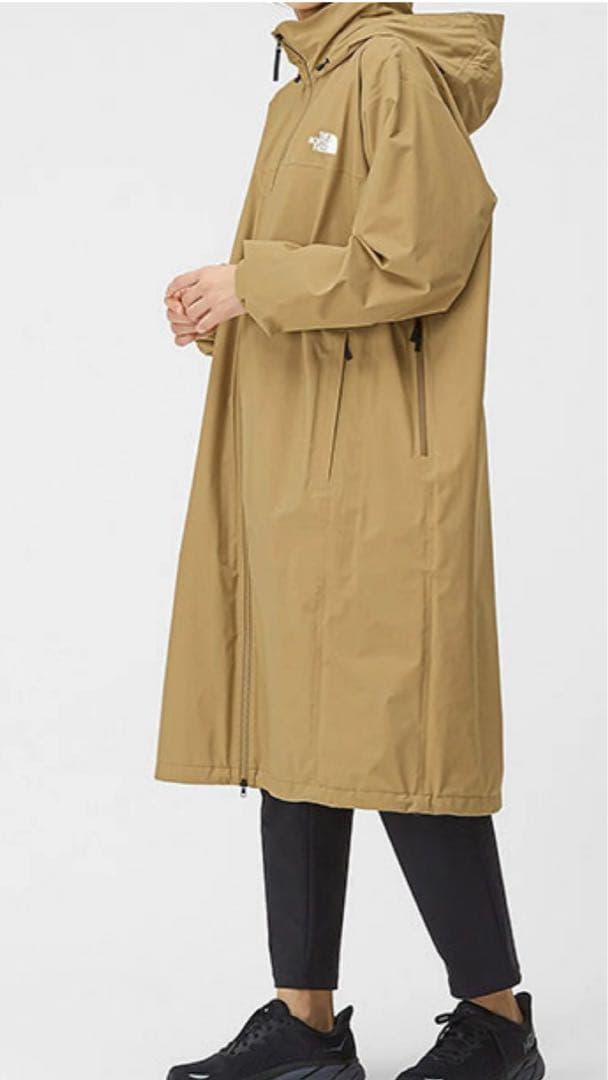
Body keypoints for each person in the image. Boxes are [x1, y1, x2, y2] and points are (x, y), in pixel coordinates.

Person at [158, 4, 545, 1079]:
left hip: (375, 469)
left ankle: (498, 1024)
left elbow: (421, 258)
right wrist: (224, 308)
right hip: (290, 462)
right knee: (294, 728)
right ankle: (307, 1026)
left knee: (400, 733)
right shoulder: (302, 89)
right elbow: (316, 285)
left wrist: (253, 282)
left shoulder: (389, 71)